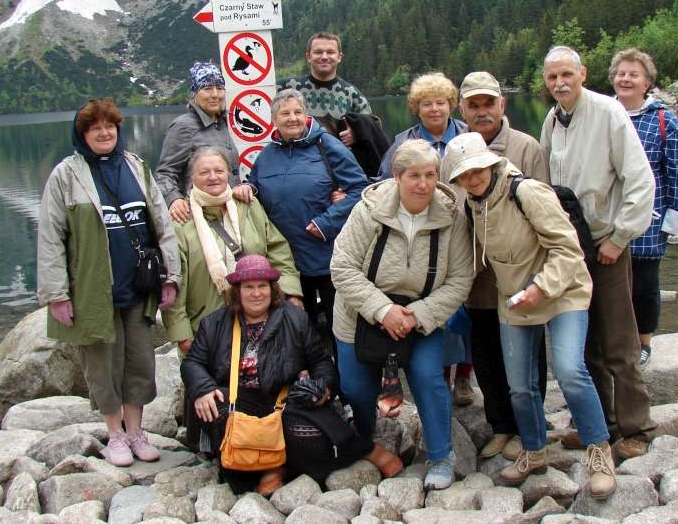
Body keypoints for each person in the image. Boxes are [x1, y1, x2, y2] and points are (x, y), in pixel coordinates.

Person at [444, 133, 616, 498]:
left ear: (491, 164)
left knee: (570, 371)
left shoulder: (527, 192)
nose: (472, 179)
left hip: (563, 290)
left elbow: (568, 250)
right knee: (520, 385)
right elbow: (472, 261)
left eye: (477, 170)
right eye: (463, 175)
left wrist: (542, 286)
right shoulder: (472, 206)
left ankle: (599, 452)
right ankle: (534, 450)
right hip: (515, 298)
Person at [181, 254, 401, 496]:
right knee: (213, 405)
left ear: (272, 289)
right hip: (239, 401)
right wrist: (202, 388)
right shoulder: (214, 324)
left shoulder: (295, 318)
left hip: (284, 400)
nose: (256, 293)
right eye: (249, 287)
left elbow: (320, 361)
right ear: (237, 292)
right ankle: (273, 464)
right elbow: (193, 362)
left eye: (262, 286)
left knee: (307, 434)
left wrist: (324, 387)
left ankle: (358, 451)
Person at [38, 98, 181, 467]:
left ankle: (136, 432)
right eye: (95, 128)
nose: (104, 133)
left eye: (109, 126)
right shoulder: (66, 175)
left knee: (140, 362)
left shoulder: (136, 167)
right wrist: (56, 294)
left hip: (138, 286)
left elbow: (162, 225)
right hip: (92, 290)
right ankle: (114, 435)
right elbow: (51, 237)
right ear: (82, 135)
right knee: (102, 366)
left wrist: (170, 276)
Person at [330, 139, 474, 490]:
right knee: (356, 389)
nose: (423, 184)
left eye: (430, 175)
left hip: (420, 314)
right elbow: (342, 267)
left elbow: (460, 279)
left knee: (428, 378)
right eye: (414, 176)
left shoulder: (450, 216)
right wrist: (383, 310)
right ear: (396, 176)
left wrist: (416, 315)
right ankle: (365, 439)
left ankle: (440, 455)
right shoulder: (368, 211)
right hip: (360, 313)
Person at [539, 46, 656, 461]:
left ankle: (636, 427)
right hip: (571, 249)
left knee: (620, 341)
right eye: (552, 77)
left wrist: (620, 238)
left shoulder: (609, 113)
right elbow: (546, 184)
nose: (559, 83)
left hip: (606, 244)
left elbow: (640, 180)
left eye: (566, 75)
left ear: (583, 74)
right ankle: (599, 425)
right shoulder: (553, 120)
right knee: (587, 343)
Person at [453, 70, 550, 461]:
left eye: (488, 104)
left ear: (502, 104)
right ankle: (501, 426)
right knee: (486, 354)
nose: (482, 111)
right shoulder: (456, 151)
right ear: (462, 109)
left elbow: (545, 209)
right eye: (473, 105)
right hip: (477, 276)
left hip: (521, 273)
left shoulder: (527, 148)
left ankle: (532, 429)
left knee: (529, 357)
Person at [239, 89, 368, 354]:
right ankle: (306, 377)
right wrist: (246, 189)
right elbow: (255, 187)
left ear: (306, 115)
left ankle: (343, 378)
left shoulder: (326, 145)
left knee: (339, 328)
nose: (292, 118)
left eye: (298, 112)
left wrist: (326, 222)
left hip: (326, 256)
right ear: (274, 119)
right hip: (286, 262)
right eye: (285, 113)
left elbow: (359, 189)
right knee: (297, 330)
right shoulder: (267, 155)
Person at [377, 73, 473, 407]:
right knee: (438, 304)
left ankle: (465, 376)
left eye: (440, 102)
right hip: (425, 234)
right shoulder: (403, 141)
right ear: (416, 108)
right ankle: (442, 375)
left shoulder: (467, 136)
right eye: (426, 103)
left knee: (468, 305)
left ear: (451, 105)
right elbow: (384, 182)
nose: (434, 109)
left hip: (467, 226)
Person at [161, 146, 303, 357]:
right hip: (206, 328)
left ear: (228, 173)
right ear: (192, 177)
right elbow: (174, 280)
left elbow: (278, 251)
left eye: (219, 171)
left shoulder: (249, 205)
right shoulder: (181, 220)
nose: (213, 177)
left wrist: (291, 292)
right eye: (204, 172)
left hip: (262, 321)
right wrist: (181, 334)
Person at [610, 49, 678, 366]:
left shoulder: (664, 120)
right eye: (621, 73)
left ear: (647, 82)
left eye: (633, 74)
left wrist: (676, 220)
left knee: (644, 284)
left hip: (650, 215)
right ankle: (616, 339)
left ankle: (644, 341)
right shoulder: (603, 113)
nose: (625, 79)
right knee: (610, 284)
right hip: (608, 214)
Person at [156, 61, 237, 224]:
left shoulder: (223, 123)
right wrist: (174, 199)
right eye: (207, 89)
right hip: (198, 217)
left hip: (228, 211)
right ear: (195, 93)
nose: (215, 94)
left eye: (219, 88)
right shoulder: (183, 126)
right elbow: (164, 174)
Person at [279, 32, 372, 147]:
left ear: (339, 57)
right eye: (318, 52)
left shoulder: (351, 93)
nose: (324, 57)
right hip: (296, 155)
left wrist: (357, 133)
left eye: (330, 52)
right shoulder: (285, 88)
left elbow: (373, 125)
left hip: (338, 157)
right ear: (308, 56)